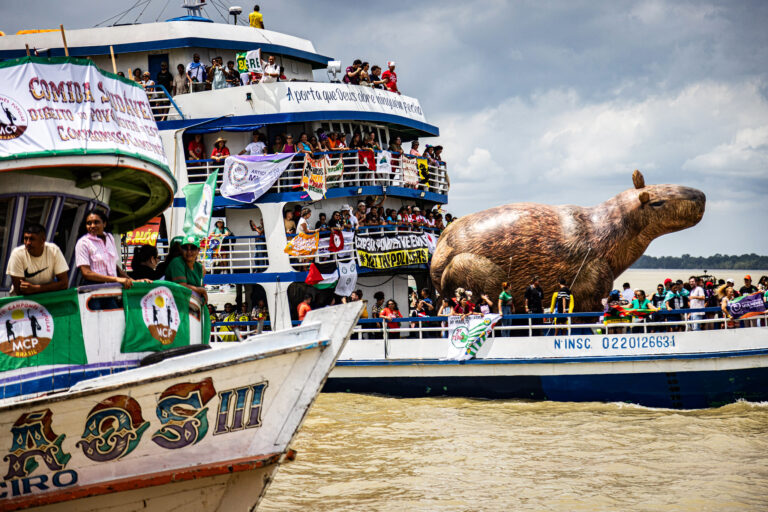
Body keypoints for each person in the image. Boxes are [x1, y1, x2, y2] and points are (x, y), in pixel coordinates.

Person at [76, 211, 137, 288]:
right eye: (89, 223)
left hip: (112, 289)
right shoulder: (83, 242)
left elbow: (113, 265)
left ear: (104, 224)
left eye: (96, 222)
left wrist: (131, 280)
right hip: (94, 291)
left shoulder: (110, 238)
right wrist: (116, 279)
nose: (92, 226)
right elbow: (86, 273)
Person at [6, 224, 69, 296]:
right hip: (21, 302)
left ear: (43, 240)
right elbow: (20, 291)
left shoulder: (54, 251)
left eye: (32, 239)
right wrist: (52, 287)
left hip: (47, 299)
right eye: (25, 238)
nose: (28, 243)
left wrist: (36, 288)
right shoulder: (17, 254)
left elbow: (64, 284)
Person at [164, 234, 207, 302]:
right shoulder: (177, 262)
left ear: (198, 250)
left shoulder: (199, 267)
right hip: (179, 305)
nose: (189, 251)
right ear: (181, 249)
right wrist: (200, 290)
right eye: (185, 248)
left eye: (193, 248)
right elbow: (181, 286)